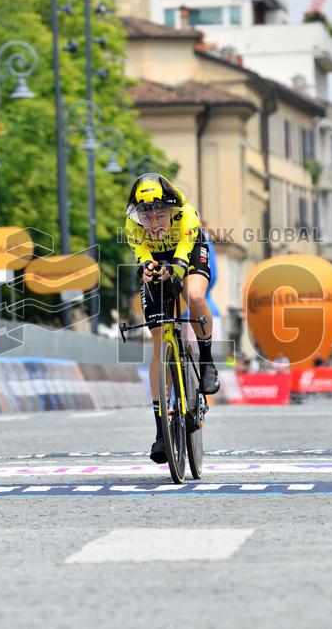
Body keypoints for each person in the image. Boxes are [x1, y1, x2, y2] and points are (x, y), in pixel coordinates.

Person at [125, 173, 218, 464]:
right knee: (157, 340)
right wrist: (146, 270)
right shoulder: (131, 225)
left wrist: (175, 270)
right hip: (157, 260)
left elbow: (181, 258)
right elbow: (141, 258)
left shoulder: (187, 217)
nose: (153, 223)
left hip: (187, 255)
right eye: (146, 215)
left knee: (193, 296)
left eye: (160, 214)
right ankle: (161, 430)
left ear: (172, 210)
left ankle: (206, 359)